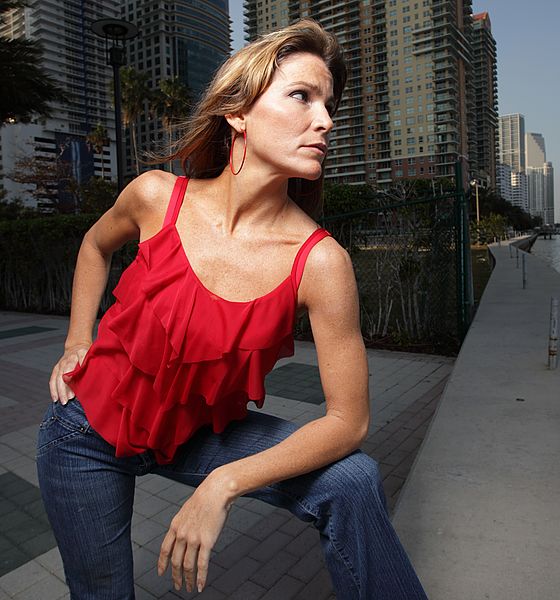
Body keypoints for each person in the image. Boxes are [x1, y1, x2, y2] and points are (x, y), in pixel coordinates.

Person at [36, 19, 427, 599]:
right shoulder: (154, 197)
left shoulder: (321, 263)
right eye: (302, 96)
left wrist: (225, 482)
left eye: (329, 104)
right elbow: (94, 247)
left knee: (352, 477)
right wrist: (75, 340)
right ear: (238, 113)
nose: (325, 121)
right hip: (85, 435)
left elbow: (351, 423)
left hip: (198, 437)